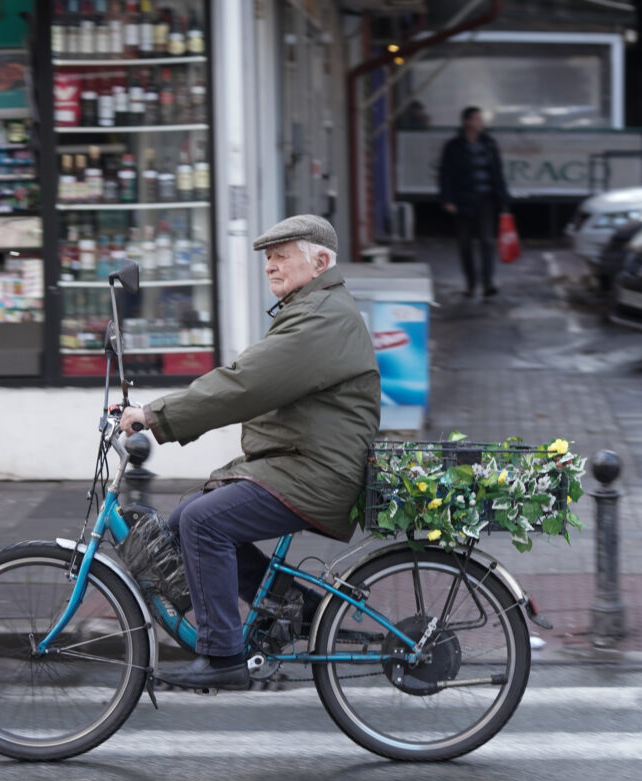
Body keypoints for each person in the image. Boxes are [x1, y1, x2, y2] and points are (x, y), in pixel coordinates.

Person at [119, 214, 381, 690]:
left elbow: (245, 384)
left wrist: (156, 415)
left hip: (316, 472)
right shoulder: (311, 309)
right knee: (186, 518)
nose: (271, 267)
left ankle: (223, 657)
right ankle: (297, 613)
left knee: (204, 523)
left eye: (282, 257)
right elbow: (249, 378)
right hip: (299, 462)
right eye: (268, 259)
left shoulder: (320, 318)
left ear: (320, 262)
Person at [438, 106, 512, 298]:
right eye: (476, 119)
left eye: (481, 119)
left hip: (486, 199)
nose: (480, 123)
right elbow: (446, 173)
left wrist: (503, 198)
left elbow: (497, 172)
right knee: (465, 244)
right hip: (462, 200)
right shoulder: (454, 146)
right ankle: (471, 284)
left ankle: (487, 282)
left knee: (487, 241)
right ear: (467, 122)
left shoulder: (489, 144)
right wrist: (447, 199)